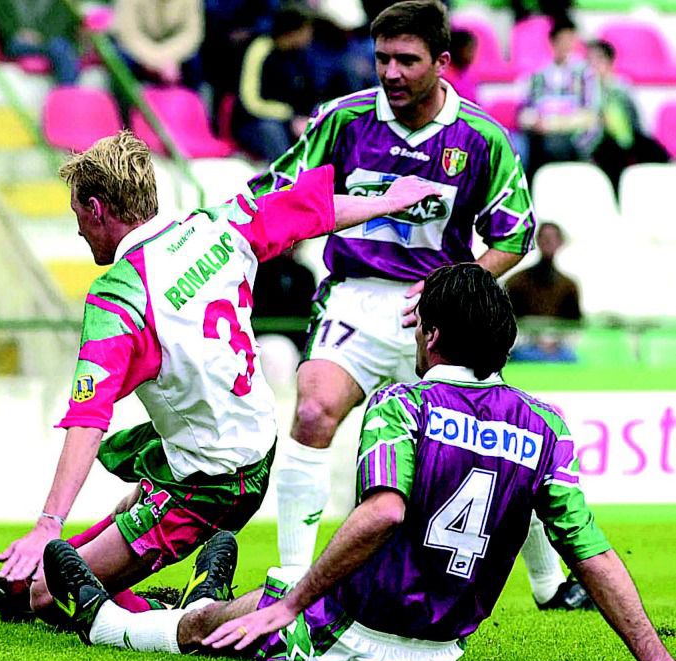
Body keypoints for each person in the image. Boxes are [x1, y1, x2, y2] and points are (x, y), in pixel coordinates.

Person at [41, 264, 676, 661]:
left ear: (428, 336)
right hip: (444, 650)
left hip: (342, 637)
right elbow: (592, 552)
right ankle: (209, 588)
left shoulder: (404, 404)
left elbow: (384, 512)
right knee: (248, 604)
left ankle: (109, 623)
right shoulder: (547, 427)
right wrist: (655, 658)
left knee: (219, 623)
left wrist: (295, 603)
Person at [0, 130, 440, 623]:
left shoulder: (120, 296)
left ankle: (197, 602)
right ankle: (32, 575)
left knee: (45, 598)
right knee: (123, 469)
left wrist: (47, 524)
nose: (77, 228)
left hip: (209, 484)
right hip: (252, 446)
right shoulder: (215, 226)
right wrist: (385, 201)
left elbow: (87, 418)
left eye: (78, 213)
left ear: (98, 209)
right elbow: (308, 210)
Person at [248, 0, 586, 612]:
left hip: (437, 314)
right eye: (382, 58)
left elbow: (514, 234)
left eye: (407, 59)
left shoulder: (481, 137)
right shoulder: (343, 121)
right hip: (355, 298)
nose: (392, 72)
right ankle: (289, 581)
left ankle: (550, 585)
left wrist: (453, 289)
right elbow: (279, 192)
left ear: (442, 62)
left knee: (506, 438)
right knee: (314, 409)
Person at [232, 6, 318, 162]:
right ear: (292, 32)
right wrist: (289, 116)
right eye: (307, 31)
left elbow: (310, 93)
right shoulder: (260, 49)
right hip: (254, 122)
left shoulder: (302, 54)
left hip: (293, 121)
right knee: (270, 129)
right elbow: (250, 101)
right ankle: (286, 181)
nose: (310, 36)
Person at [518, 17, 600, 180]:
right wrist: (534, 121)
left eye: (570, 40)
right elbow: (525, 112)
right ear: (553, 42)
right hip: (542, 133)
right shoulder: (538, 74)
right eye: (562, 40)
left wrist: (556, 124)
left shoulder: (585, 73)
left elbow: (590, 114)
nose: (567, 45)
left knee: (556, 146)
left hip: (573, 135)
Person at [585, 40, 670, 193]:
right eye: (590, 61)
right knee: (611, 156)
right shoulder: (585, 88)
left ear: (610, 62)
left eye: (599, 60)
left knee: (656, 152)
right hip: (599, 139)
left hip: (627, 136)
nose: (594, 65)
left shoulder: (621, 86)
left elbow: (635, 119)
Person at [506, 221, 581, 363]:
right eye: (545, 237)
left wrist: (555, 341)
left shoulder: (569, 285)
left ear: (561, 242)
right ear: (537, 240)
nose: (549, 242)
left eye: (553, 238)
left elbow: (574, 324)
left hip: (559, 349)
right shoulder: (517, 282)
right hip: (525, 347)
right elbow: (508, 322)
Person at [112, 0, 205, 90]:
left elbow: (191, 34)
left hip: (173, 55)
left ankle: (190, 101)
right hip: (138, 52)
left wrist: (169, 59)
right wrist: (155, 61)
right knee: (119, 60)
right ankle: (124, 103)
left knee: (194, 63)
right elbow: (128, 35)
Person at [0, 0, 80, 85]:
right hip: (18, 42)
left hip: (46, 41)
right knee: (59, 48)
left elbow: (66, 25)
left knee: (61, 47)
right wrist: (20, 33)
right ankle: (67, 91)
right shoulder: (6, 2)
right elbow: (3, 21)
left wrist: (41, 37)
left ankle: (67, 91)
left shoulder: (58, 3)